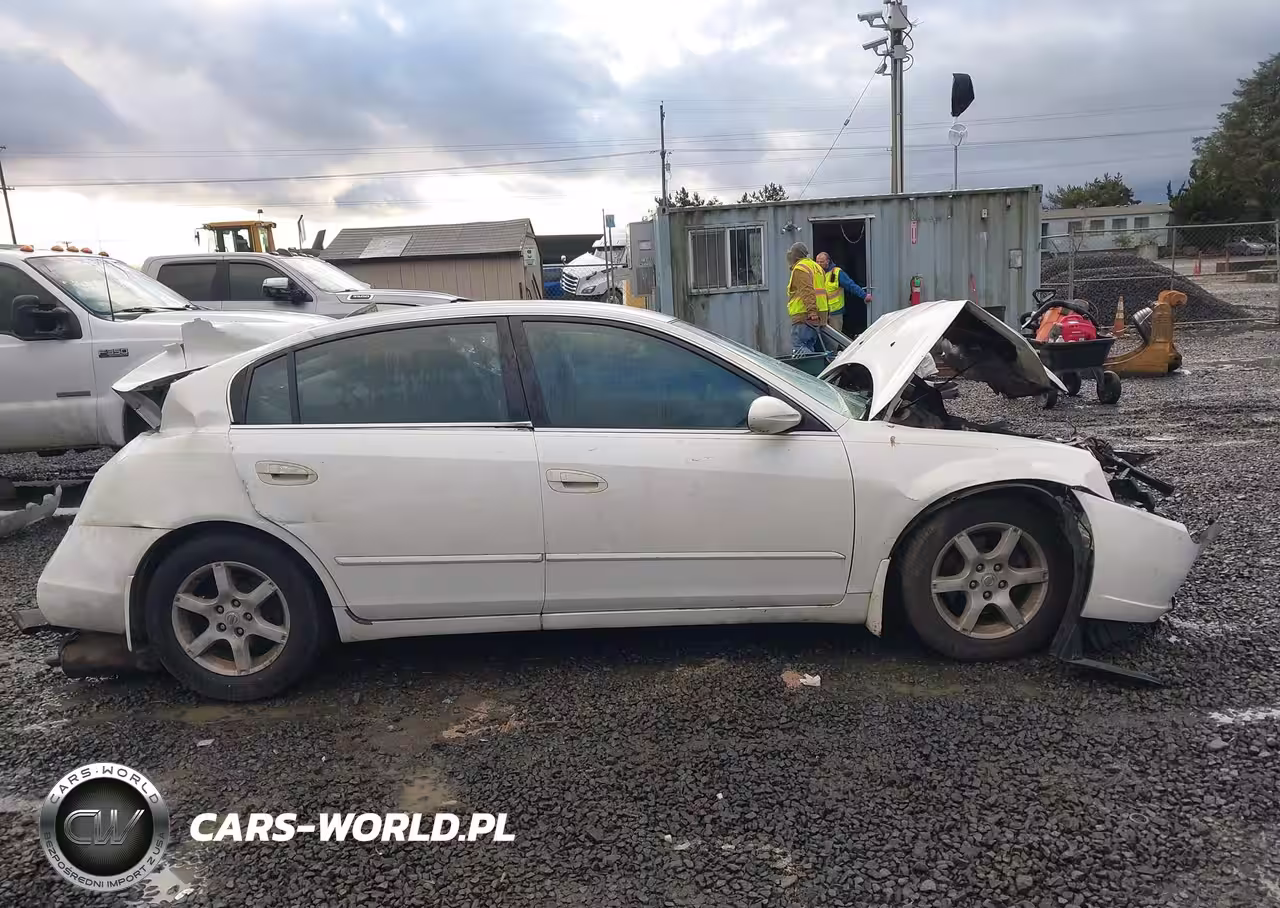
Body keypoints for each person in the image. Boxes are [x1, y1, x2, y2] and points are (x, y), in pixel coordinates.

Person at [785, 243, 828, 353]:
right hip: (818, 315)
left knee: (799, 348)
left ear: (795, 255)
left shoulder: (800, 268)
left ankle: (808, 364)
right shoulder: (817, 267)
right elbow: (823, 292)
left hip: (804, 316)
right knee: (809, 347)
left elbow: (807, 291)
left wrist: (812, 311)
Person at [815, 251, 870, 335]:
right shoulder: (815, 273)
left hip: (835, 312)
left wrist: (864, 295)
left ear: (827, 261)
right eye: (817, 262)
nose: (819, 264)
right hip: (820, 312)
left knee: (834, 338)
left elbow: (850, 285)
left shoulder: (837, 273)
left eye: (821, 262)